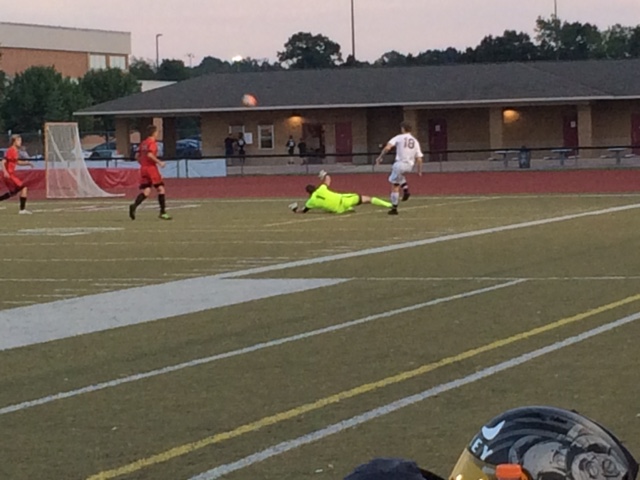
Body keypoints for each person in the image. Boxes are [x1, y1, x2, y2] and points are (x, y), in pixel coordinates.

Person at [289, 170, 392, 214]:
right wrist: (324, 174)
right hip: (344, 199)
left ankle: (347, 209)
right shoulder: (321, 189)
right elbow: (328, 179)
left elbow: (303, 211)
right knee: (368, 199)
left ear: (308, 193)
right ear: (315, 188)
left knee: (326, 208)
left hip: (337, 210)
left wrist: (295, 209)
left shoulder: (310, 202)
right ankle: (389, 204)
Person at [375, 122, 423, 215]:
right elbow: (419, 158)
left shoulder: (399, 137)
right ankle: (405, 188)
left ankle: (394, 208)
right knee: (399, 176)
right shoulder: (415, 141)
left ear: (403, 129)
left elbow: (388, 147)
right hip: (409, 166)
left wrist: (380, 157)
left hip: (400, 163)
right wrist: (419, 170)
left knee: (395, 185)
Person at [129, 125, 171, 220]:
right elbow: (149, 154)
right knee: (161, 189)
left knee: (146, 191)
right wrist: (159, 162)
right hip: (151, 169)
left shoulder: (143, 143)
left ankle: (134, 206)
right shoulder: (152, 143)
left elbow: (136, 156)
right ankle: (163, 212)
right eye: (157, 132)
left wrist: (142, 163)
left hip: (143, 169)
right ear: (154, 133)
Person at [0, 134, 34, 214]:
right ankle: (22, 210)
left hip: (11, 174)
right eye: (18, 140)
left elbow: (17, 162)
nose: (20, 142)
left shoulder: (15, 151)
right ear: (14, 142)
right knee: (24, 188)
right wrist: (5, 172)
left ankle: (22, 209)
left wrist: (27, 163)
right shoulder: (11, 150)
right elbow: (3, 161)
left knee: (13, 193)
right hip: (9, 175)